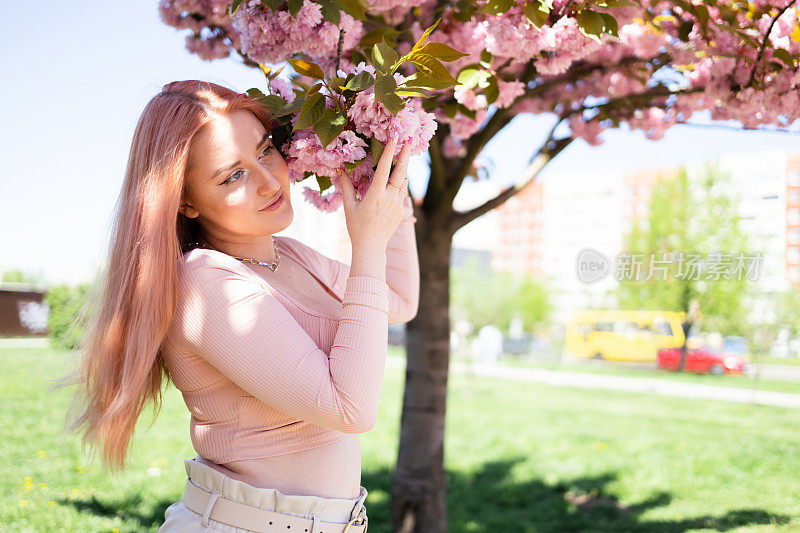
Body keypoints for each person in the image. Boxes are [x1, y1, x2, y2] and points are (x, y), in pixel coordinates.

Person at [55, 80, 420, 532]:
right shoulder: (204, 283)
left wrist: (385, 174)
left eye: (266, 150)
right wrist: (367, 245)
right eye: (234, 175)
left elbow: (398, 300)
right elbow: (350, 408)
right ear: (185, 200)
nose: (270, 180)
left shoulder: (291, 256)